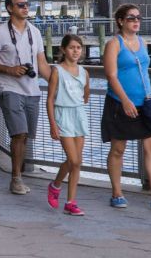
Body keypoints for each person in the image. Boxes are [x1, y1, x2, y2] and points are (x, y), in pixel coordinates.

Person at [102, 4, 151, 211]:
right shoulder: (114, 44)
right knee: (118, 148)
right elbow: (111, 76)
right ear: (120, 21)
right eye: (131, 18)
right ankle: (117, 193)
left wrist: (150, 95)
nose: (136, 21)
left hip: (146, 102)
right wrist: (125, 100)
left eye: (138, 18)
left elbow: (143, 71)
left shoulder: (142, 42)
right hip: (120, 103)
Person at [0, 0, 51, 195]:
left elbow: (42, 64)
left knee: (26, 136)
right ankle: (16, 179)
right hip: (10, 89)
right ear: (10, 8)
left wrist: (58, 84)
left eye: (27, 4)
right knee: (18, 133)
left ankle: (19, 174)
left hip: (32, 91)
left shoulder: (35, 32)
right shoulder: (0, 33)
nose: (25, 7)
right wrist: (9, 70)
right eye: (20, 4)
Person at [46, 34, 90, 216]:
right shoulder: (57, 71)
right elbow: (50, 99)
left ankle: (70, 202)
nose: (75, 51)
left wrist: (78, 103)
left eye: (78, 48)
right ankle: (55, 185)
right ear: (63, 50)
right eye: (72, 47)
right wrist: (52, 124)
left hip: (78, 114)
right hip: (63, 115)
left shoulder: (84, 72)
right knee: (73, 160)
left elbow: (86, 94)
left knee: (77, 162)